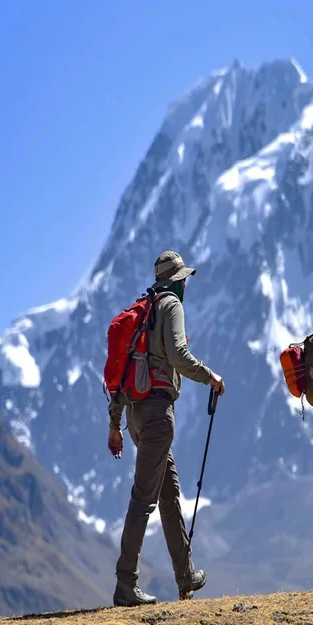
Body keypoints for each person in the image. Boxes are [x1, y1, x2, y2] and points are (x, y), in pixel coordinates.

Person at [107, 250, 225, 606]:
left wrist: (115, 425)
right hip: (158, 413)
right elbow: (177, 354)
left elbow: (123, 374)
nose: (186, 284)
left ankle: (185, 574)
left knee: (169, 494)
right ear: (177, 280)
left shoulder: (142, 309)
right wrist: (211, 377)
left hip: (137, 417)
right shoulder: (170, 303)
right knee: (143, 498)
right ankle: (125, 584)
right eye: (184, 279)